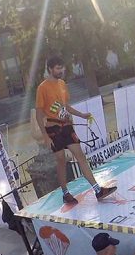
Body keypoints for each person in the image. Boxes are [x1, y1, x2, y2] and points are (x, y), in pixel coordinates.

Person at [35, 55, 117, 205]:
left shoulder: (62, 84)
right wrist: (46, 137)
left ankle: (98, 190)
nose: (61, 70)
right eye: (58, 68)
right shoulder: (42, 88)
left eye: (62, 67)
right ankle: (65, 193)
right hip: (53, 128)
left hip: (66, 126)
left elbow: (66, 107)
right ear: (50, 69)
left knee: (81, 156)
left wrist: (81, 115)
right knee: (61, 161)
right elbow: (39, 113)